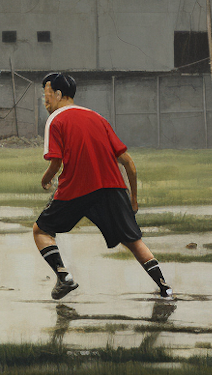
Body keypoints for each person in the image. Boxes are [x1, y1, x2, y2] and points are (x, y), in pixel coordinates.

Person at [33, 72, 170, 301]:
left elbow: (56, 161)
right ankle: (165, 288)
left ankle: (64, 277)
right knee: (133, 241)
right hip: (112, 188)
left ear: (58, 94)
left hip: (76, 188)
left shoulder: (56, 120)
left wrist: (46, 179)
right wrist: (133, 199)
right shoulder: (98, 118)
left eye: (46, 95)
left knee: (41, 230)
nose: (44, 100)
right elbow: (129, 164)